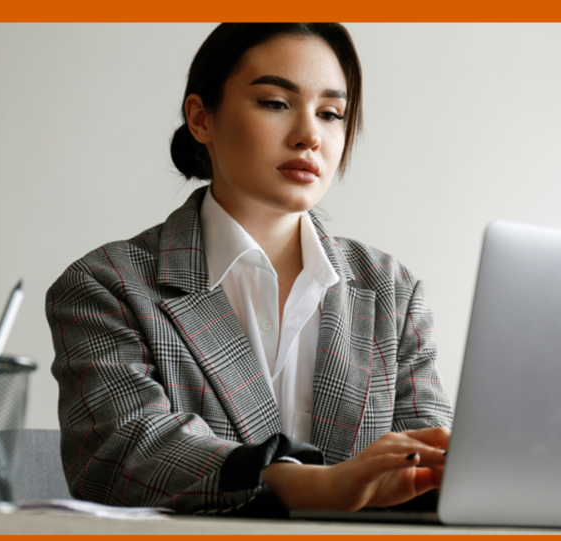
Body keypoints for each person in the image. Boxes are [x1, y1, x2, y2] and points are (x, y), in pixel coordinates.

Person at [45, 23, 453, 515]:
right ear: (201, 119)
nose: (310, 137)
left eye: (331, 114)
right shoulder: (108, 284)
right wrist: (309, 486)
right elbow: (125, 454)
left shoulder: (391, 291)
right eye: (275, 103)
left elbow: (433, 462)